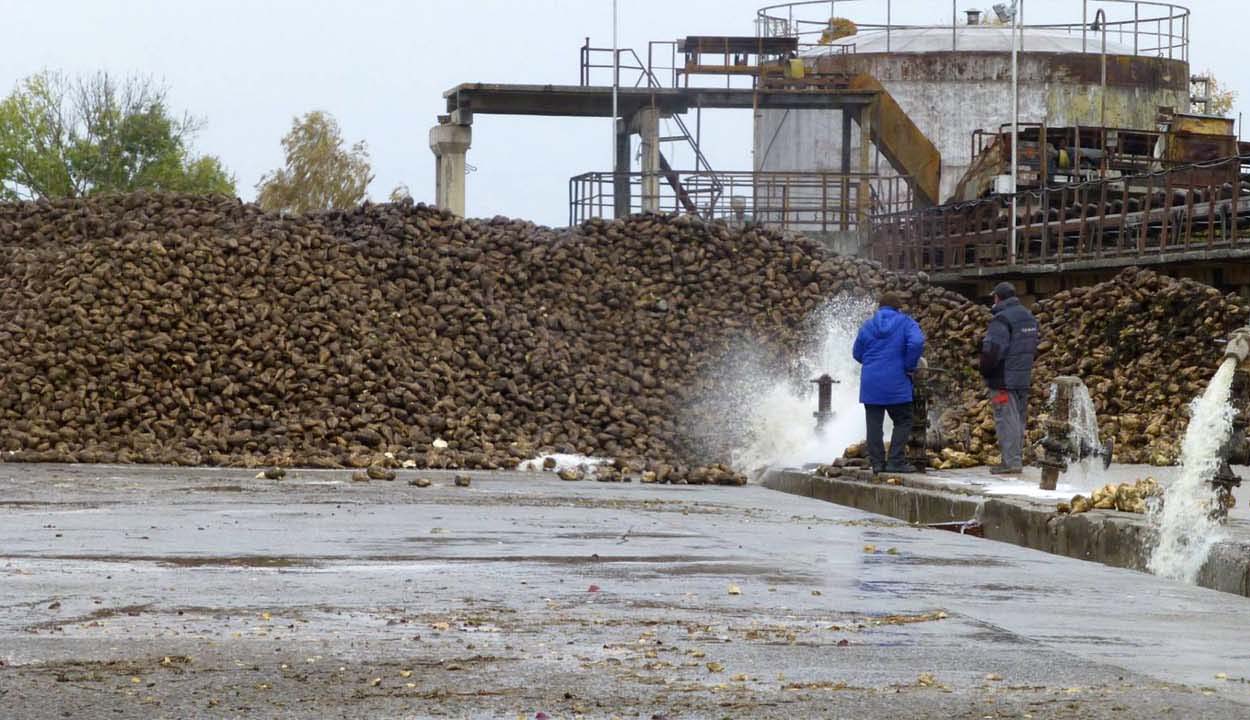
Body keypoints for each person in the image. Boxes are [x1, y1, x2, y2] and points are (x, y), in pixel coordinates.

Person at [852, 291, 926, 474]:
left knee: (874, 424)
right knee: (903, 420)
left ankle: (877, 463)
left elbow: (856, 353)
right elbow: (917, 342)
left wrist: (872, 364)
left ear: (880, 308)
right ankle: (895, 461)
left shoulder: (867, 325)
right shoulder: (906, 322)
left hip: (871, 383)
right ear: (898, 308)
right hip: (897, 382)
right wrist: (909, 365)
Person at [980, 281, 1040, 475]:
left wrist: (985, 371)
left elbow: (993, 351)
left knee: (1005, 419)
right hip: (1022, 377)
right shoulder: (1028, 317)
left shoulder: (1001, 320)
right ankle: (1015, 458)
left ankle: (1011, 462)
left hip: (1002, 380)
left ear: (998, 297)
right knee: (1019, 420)